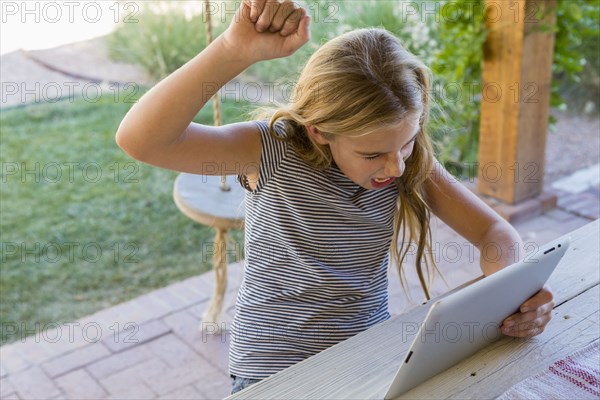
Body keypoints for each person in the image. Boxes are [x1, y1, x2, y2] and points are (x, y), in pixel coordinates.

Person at [115, 0, 555, 394]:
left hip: (370, 357)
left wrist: (513, 293)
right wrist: (233, 50)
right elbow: (142, 140)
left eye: (406, 143)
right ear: (319, 131)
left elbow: (493, 231)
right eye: (374, 153)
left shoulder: (405, 159)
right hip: (273, 370)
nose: (396, 167)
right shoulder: (271, 150)